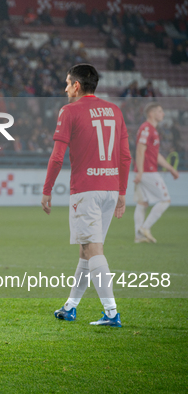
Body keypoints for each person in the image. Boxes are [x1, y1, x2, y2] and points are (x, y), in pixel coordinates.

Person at [41, 64, 131, 328]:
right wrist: (122, 191)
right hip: (111, 188)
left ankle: (112, 312)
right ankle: (70, 307)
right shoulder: (115, 111)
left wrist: (47, 190)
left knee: (93, 249)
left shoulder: (69, 110)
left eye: (68, 83)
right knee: (86, 250)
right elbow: (125, 156)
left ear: (77, 85)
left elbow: (57, 156)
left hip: (86, 189)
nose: (65, 88)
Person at [133, 103, 179, 243]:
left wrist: (171, 169)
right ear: (151, 114)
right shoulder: (146, 128)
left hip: (145, 170)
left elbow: (155, 154)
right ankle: (145, 228)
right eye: (160, 111)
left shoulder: (152, 130)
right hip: (148, 171)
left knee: (142, 203)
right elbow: (140, 150)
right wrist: (140, 172)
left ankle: (139, 236)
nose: (163, 114)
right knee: (165, 200)